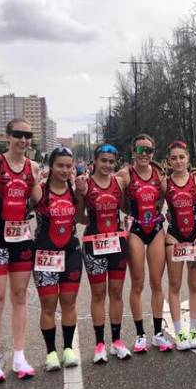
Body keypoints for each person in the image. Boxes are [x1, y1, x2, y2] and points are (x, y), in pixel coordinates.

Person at [0, 118, 40, 382]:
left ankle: (19, 356)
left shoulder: (33, 168)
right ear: (7, 136)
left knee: (19, 296)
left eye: (27, 135)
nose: (23, 140)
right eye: (18, 134)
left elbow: (40, 201)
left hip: (21, 238)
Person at [75, 144, 131, 363]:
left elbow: (126, 208)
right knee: (98, 294)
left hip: (117, 243)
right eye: (103, 160)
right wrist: (79, 194)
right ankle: (99, 344)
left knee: (116, 293)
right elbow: (80, 217)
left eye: (111, 161)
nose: (108, 165)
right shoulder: (86, 184)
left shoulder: (119, 182)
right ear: (95, 161)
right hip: (94, 244)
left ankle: (117, 341)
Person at [117, 134, 170, 352]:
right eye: (140, 150)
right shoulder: (125, 174)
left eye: (149, 150)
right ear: (133, 151)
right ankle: (140, 335)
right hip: (136, 230)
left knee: (157, 283)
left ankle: (158, 333)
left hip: (155, 229)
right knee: (137, 283)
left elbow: (170, 196)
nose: (144, 154)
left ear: (153, 153)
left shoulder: (159, 174)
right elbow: (113, 196)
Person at [32, 147, 83, 370]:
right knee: (49, 306)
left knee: (69, 303)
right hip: (45, 255)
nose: (64, 170)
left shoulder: (74, 190)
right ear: (51, 166)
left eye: (68, 166)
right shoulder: (40, 190)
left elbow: (81, 218)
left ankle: (68, 348)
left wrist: (82, 193)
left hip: (71, 253)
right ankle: (51, 352)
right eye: (60, 165)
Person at [162, 140, 196, 351]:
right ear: (168, 161)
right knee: (175, 286)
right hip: (174, 238)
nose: (178, 161)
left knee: (195, 286)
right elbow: (154, 209)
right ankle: (180, 333)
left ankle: (194, 332)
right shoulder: (164, 183)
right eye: (174, 158)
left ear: (188, 158)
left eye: (181, 157)